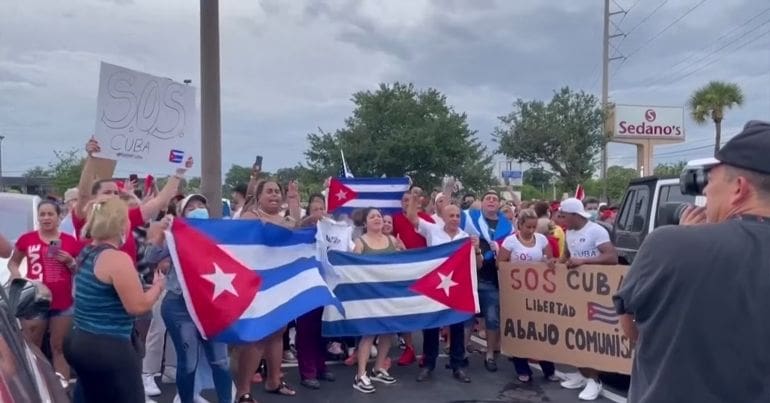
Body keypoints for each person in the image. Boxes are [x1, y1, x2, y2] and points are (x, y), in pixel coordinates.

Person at [613, 120, 770, 403]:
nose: (704, 194)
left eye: (709, 183)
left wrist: (686, 240)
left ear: (739, 188)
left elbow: (630, 326)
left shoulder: (669, 244)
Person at [63, 197, 165, 403]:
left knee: (89, 396)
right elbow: (137, 306)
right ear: (120, 224)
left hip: (79, 338)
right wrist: (158, 286)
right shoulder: (115, 258)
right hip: (108, 345)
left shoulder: (87, 250)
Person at [145, 194, 233, 403]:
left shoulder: (219, 232)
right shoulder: (175, 235)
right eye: (191, 206)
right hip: (179, 306)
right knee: (188, 363)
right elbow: (150, 257)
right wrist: (162, 234)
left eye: (201, 204)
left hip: (212, 306)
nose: (197, 208)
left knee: (221, 361)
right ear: (182, 214)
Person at [235, 179, 301, 403]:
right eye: (269, 191)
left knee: (277, 332)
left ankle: (273, 380)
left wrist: (293, 204)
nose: (274, 195)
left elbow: (295, 230)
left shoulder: (282, 218)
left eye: (277, 192)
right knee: (257, 337)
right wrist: (290, 218)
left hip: (279, 283)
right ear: (259, 196)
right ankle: (243, 391)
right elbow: (286, 228)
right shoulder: (250, 216)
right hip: (256, 286)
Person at [406, 190, 479, 384]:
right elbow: (412, 218)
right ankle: (428, 365)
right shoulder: (432, 229)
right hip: (434, 287)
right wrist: (414, 199)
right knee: (431, 326)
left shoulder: (465, 237)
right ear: (443, 217)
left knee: (457, 326)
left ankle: (457, 366)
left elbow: (477, 265)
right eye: (451, 215)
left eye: (457, 215)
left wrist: (477, 250)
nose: (455, 218)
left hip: (456, 289)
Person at [7, 200, 83, 381]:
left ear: (59, 217)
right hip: (35, 300)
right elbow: (13, 263)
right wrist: (17, 276)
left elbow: (81, 270)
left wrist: (70, 262)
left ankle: (62, 387)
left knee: (59, 347)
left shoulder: (69, 241)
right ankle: (35, 386)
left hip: (62, 302)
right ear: (38, 217)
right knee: (32, 346)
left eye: (50, 214)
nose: (46, 218)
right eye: (42, 214)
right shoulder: (28, 239)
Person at [558, 197, 618, 401]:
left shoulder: (596, 230)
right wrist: (555, 263)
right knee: (574, 332)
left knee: (589, 334)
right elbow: (567, 256)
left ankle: (595, 380)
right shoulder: (569, 232)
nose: (560, 218)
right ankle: (581, 373)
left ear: (574, 214)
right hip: (575, 291)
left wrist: (584, 260)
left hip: (595, 292)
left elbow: (611, 257)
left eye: (563, 215)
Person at [497, 209, 558, 383]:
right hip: (517, 294)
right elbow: (500, 264)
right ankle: (522, 368)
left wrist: (548, 262)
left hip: (539, 293)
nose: (531, 230)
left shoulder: (542, 239)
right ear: (520, 225)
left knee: (542, 331)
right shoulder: (510, 242)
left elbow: (549, 260)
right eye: (528, 227)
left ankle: (549, 369)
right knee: (521, 331)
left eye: (534, 227)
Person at [459, 190, 513, 372]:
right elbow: (447, 220)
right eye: (488, 198)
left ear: (499, 204)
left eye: (495, 199)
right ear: (481, 203)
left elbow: (512, 251)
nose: (491, 201)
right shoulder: (468, 218)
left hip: (492, 279)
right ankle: (462, 352)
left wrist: (498, 250)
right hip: (470, 277)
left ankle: (490, 354)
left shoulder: (508, 226)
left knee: (492, 319)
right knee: (467, 318)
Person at [351, 208, 403, 393]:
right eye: (372, 216)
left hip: (388, 294)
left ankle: (378, 368)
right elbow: (352, 268)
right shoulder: (360, 242)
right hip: (369, 296)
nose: (377, 219)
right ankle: (360, 375)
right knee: (369, 334)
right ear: (365, 223)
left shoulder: (392, 240)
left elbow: (402, 263)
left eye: (379, 216)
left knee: (387, 331)